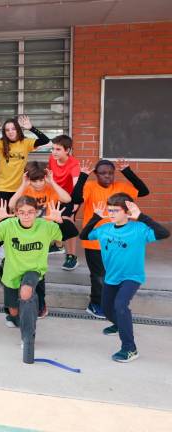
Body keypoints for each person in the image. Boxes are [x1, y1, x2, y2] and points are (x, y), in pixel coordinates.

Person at [80, 195, 169, 363]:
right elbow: (84, 236)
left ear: (127, 212)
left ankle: (129, 348)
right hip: (111, 277)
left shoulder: (139, 229)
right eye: (110, 209)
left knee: (120, 305)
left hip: (132, 276)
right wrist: (96, 217)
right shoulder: (105, 229)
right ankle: (120, 324)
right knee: (106, 309)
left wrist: (141, 216)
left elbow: (164, 233)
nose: (111, 213)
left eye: (116, 210)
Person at [0, 198, 68, 363]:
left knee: (26, 293)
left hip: (34, 270)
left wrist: (60, 221)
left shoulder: (45, 226)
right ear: (15, 213)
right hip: (11, 273)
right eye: (22, 212)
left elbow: (70, 233)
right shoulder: (8, 225)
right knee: (14, 311)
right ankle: (18, 318)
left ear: (36, 212)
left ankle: (28, 337)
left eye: (30, 212)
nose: (26, 216)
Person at [71, 159, 150, 318]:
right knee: (99, 275)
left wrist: (127, 171)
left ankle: (108, 301)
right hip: (95, 242)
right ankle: (95, 304)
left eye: (110, 173)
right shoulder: (90, 186)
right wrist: (83, 176)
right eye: (103, 173)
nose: (107, 176)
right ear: (96, 174)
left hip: (117, 242)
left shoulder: (121, 188)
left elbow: (143, 191)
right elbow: (76, 199)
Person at [0, 115, 50, 204]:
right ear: (4, 132)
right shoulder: (0, 144)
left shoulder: (26, 142)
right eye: (7, 130)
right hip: (3, 187)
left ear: (18, 130)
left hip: (20, 187)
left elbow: (45, 140)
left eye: (13, 129)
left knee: (18, 215)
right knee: (3, 215)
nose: (10, 132)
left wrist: (31, 128)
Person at [48, 135, 81, 270]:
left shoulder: (74, 164)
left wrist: (75, 203)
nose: (54, 152)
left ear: (67, 150)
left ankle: (72, 256)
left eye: (58, 149)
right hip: (55, 196)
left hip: (71, 197)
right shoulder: (52, 159)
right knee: (53, 221)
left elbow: (77, 185)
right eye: (53, 149)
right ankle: (58, 246)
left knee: (67, 223)